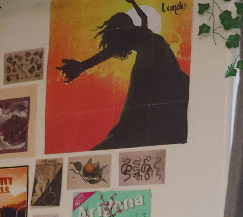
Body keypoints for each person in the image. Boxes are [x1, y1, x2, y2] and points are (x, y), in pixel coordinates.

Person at [57, 0, 189, 149]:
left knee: (173, 91)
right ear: (118, 26)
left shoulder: (138, 30)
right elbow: (103, 54)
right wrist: (82, 66)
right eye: (122, 19)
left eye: (126, 18)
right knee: (142, 107)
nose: (127, 20)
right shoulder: (126, 38)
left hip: (161, 57)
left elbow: (143, 16)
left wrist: (133, 3)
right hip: (151, 59)